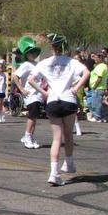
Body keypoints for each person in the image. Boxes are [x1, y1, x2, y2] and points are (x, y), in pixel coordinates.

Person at [28, 33, 90, 186]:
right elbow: (87, 72)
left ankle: (54, 173)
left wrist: (43, 92)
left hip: (53, 100)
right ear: (65, 47)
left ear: (52, 48)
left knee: (56, 138)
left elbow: (30, 79)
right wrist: (76, 87)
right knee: (68, 133)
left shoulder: (45, 62)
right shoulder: (71, 62)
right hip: (68, 99)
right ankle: (68, 162)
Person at [13, 45, 43, 149]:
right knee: (32, 115)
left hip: (38, 94)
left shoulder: (38, 64)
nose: (33, 55)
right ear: (27, 55)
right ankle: (27, 136)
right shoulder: (26, 64)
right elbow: (15, 76)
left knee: (35, 117)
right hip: (30, 94)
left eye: (34, 52)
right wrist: (21, 89)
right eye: (31, 53)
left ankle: (30, 136)